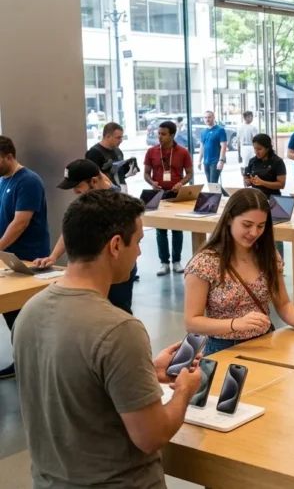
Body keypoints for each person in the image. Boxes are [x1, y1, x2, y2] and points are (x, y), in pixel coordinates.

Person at [13, 189, 203, 486]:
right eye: (138, 242)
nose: (140, 253)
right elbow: (151, 437)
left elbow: (74, 386)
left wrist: (146, 372)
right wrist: (184, 391)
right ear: (115, 245)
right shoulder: (119, 330)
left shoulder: (29, 312)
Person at [185, 190, 294, 355]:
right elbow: (192, 321)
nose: (254, 233)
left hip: (265, 341)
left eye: (261, 226)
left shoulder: (268, 255)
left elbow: (283, 304)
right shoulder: (205, 262)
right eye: (247, 225)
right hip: (223, 347)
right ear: (229, 219)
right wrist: (235, 324)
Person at [35, 159, 135, 314]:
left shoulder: (117, 204)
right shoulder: (88, 199)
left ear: (94, 181)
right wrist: (53, 257)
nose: (75, 192)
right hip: (93, 271)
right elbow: (71, 229)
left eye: (77, 186)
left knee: (117, 311)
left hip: (116, 268)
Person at [0, 137, 50, 379]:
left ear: (8, 156)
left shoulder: (28, 181)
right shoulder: (4, 181)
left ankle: (36, 365)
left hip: (30, 258)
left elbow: (20, 222)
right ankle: (23, 360)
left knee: (28, 315)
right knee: (12, 313)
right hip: (9, 258)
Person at [143, 120, 194, 276]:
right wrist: (152, 182)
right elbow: (145, 173)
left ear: (172, 135)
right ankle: (164, 262)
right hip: (158, 194)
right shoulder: (151, 151)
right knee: (161, 230)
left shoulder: (183, 152)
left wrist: (181, 183)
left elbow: (190, 173)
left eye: (163, 134)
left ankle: (177, 261)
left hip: (176, 194)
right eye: (159, 134)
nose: (160, 137)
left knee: (177, 229)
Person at [198, 111, 228, 185]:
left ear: (213, 118)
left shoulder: (220, 130)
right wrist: (199, 161)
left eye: (209, 117)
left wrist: (221, 160)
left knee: (213, 184)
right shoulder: (203, 132)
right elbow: (202, 147)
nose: (207, 119)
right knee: (211, 184)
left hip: (215, 161)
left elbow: (223, 146)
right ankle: (227, 195)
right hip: (206, 162)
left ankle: (222, 196)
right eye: (205, 118)